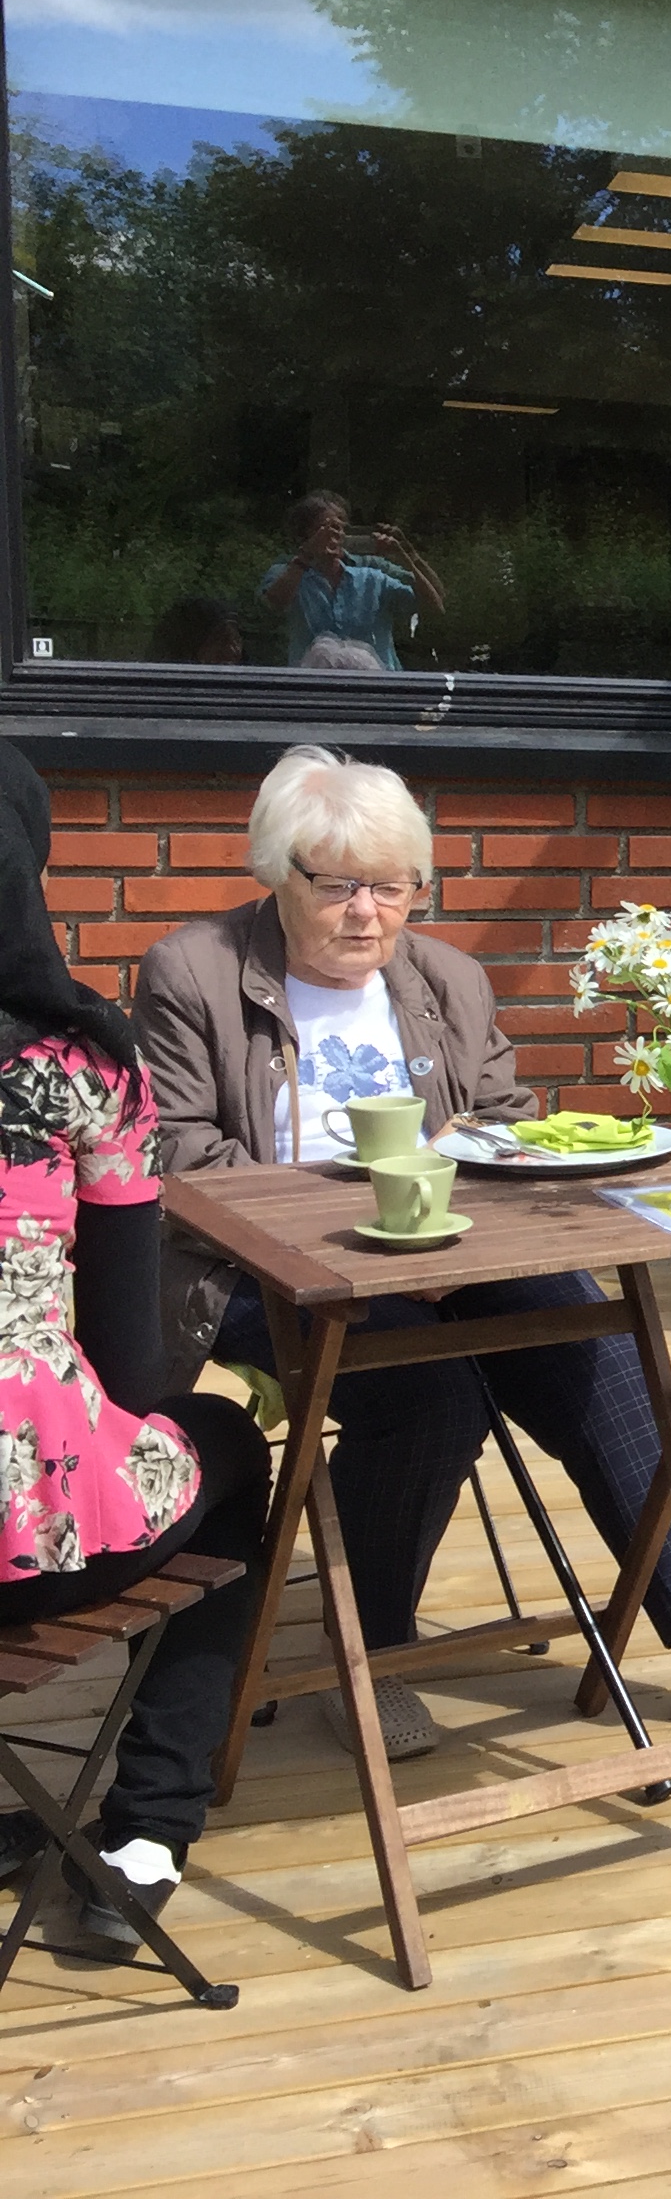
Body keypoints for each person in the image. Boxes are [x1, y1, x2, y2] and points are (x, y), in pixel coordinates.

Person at [132, 747, 671, 1755]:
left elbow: (504, 1122)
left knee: (605, 1361)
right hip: (270, 1270)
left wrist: (473, 1196)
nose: (367, 914)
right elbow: (179, 1159)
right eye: (338, 886)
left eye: (393, 888)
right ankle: (368, 1653)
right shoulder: (195, 973)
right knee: (427, 1394)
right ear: (276, 871)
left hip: (458, 1254)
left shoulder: (447, 980)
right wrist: (384, 1219)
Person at [0, 740, 269, 1960]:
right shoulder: (78, 1068)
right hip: (24, 1553)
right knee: (223, 1445)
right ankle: (145, 1831)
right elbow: (122, 1356)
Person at [258, 491, 442, 671]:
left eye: (340, 528)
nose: (334, 535)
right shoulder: (289, 572)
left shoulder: (372, 575)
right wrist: (306, 555)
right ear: (304, 533)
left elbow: (433, 605)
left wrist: (406, 556)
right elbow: (273, 606)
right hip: (313, 687)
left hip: (379, 686)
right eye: (325, 528)